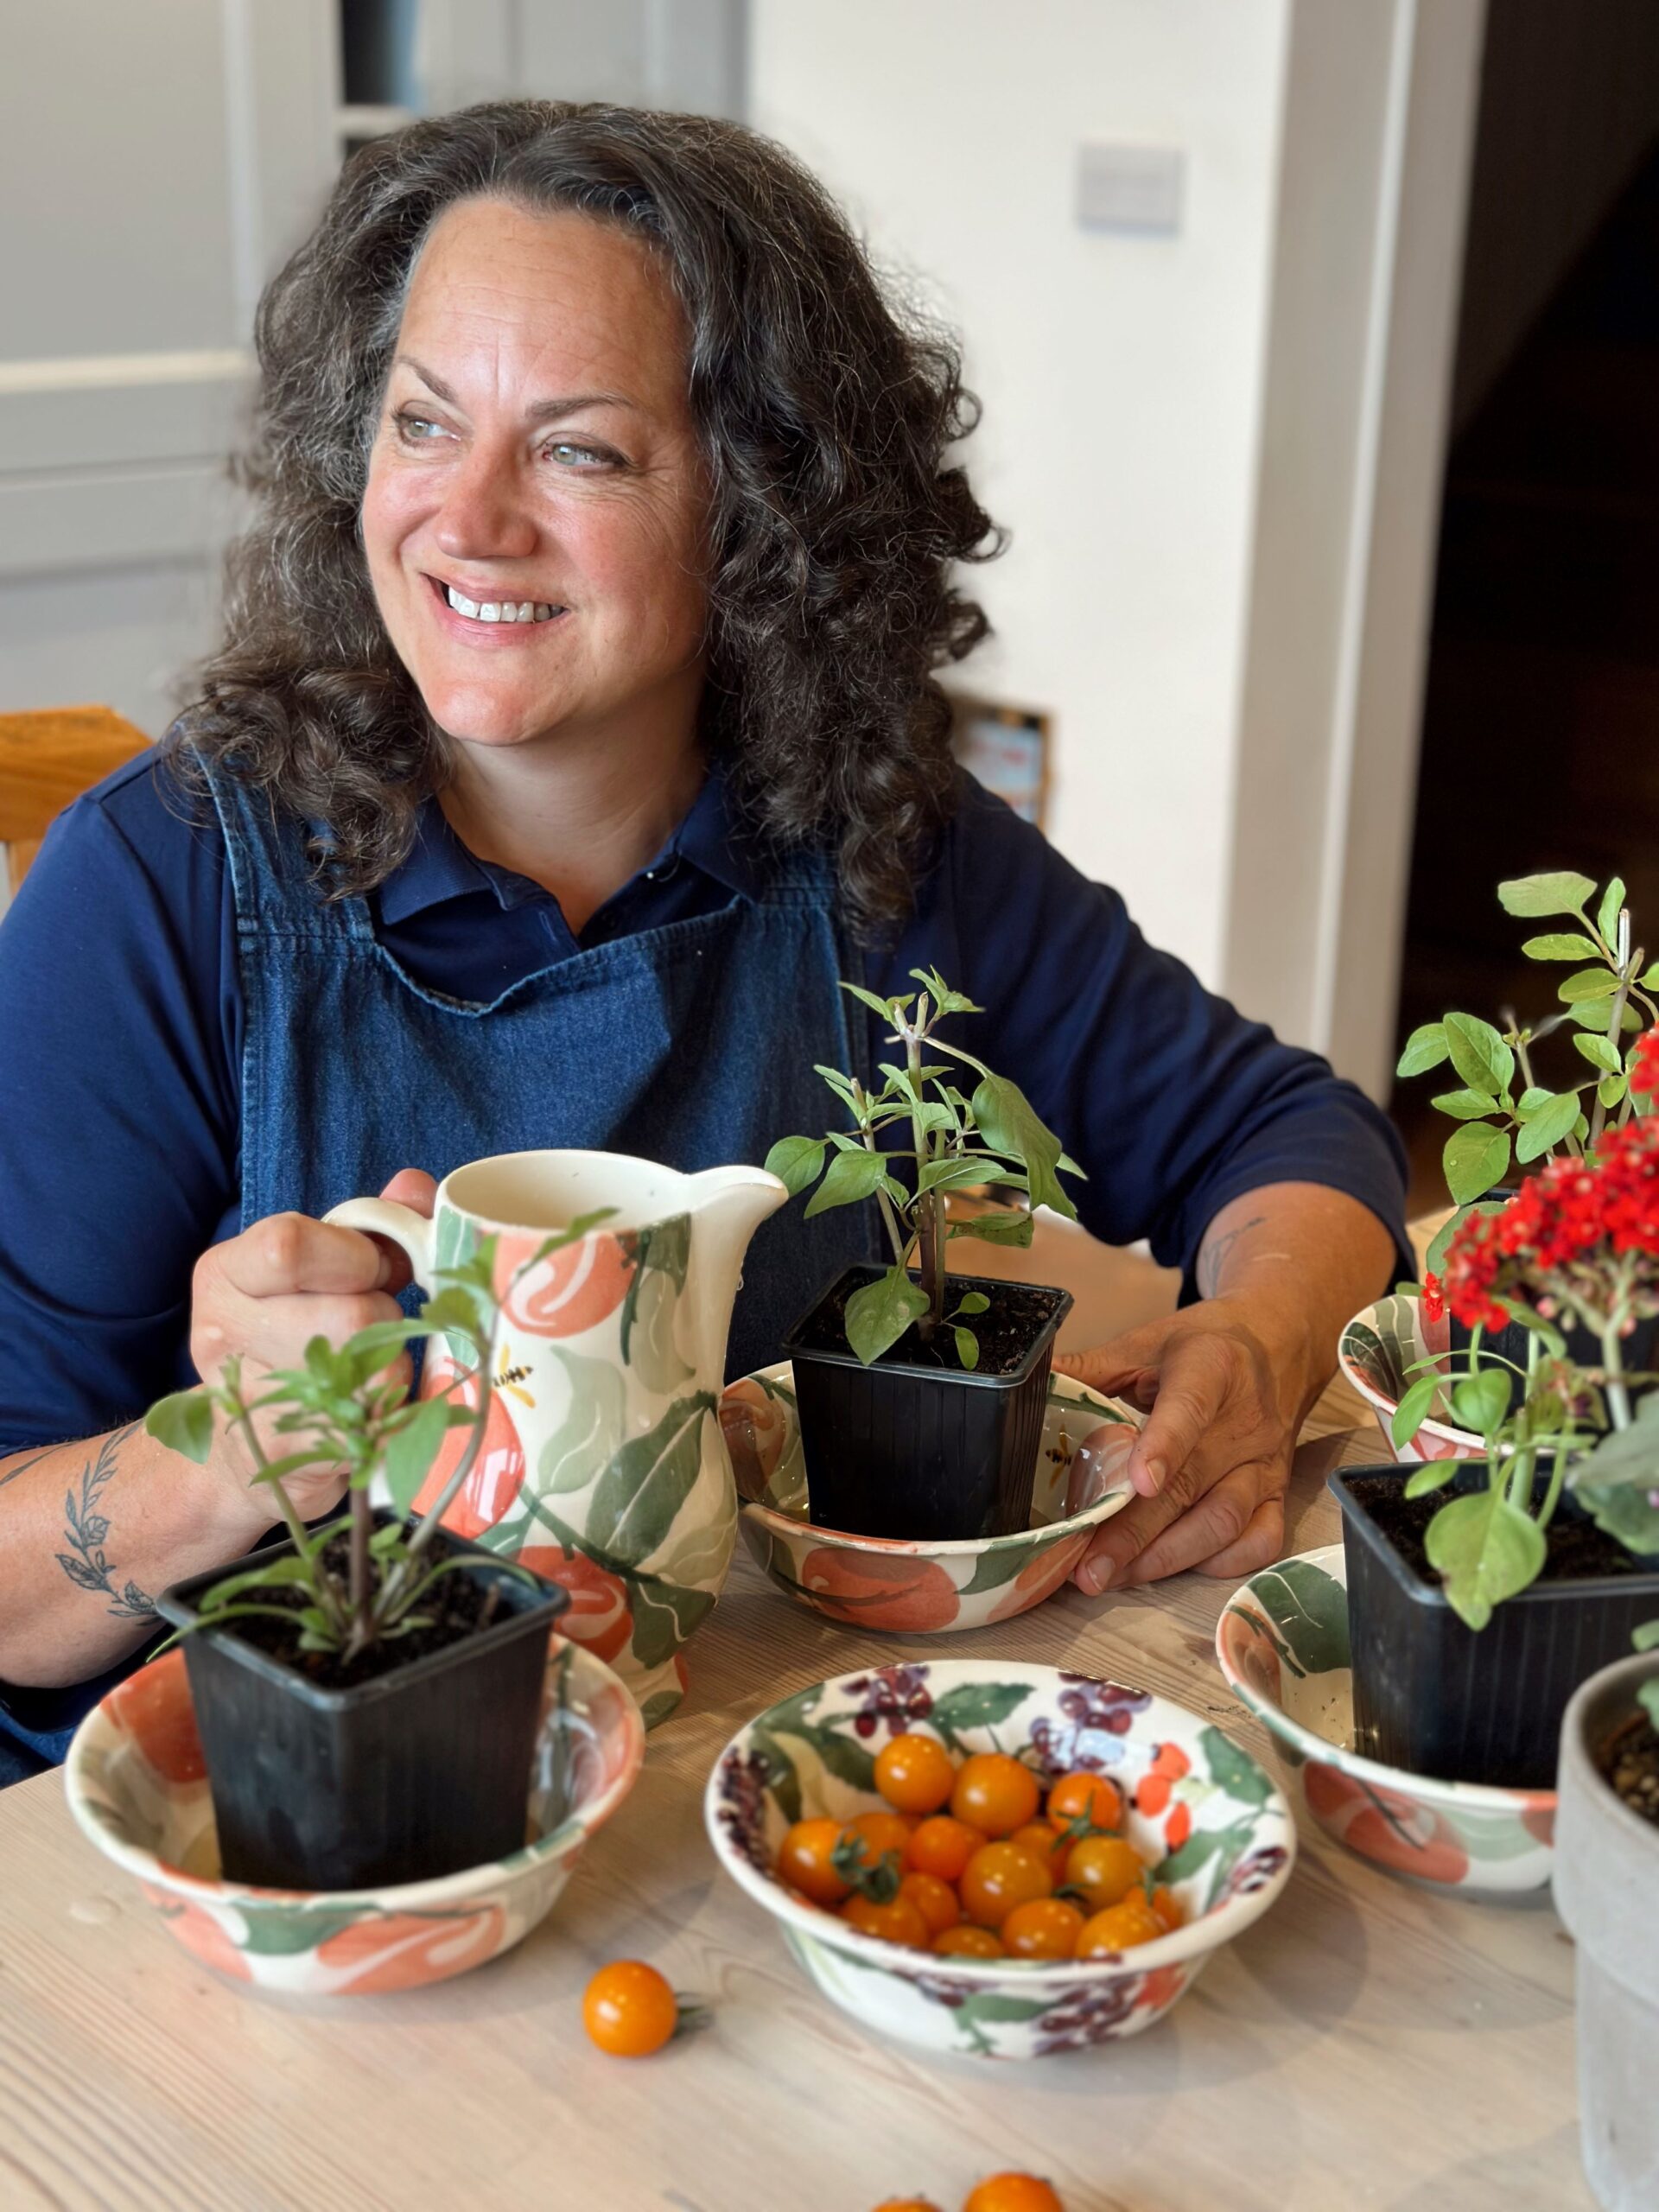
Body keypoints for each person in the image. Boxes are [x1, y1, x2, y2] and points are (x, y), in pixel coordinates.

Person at [0, 103, 1406, 1783]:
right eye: (423, 424)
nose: (469, 518)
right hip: (291, 1847)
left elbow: (1291, 1129)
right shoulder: (157, 886)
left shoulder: (876, 840)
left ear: (759, 507)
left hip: (745, 1777)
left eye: (579, 448)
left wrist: (1259, 1344)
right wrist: (225, 1460)